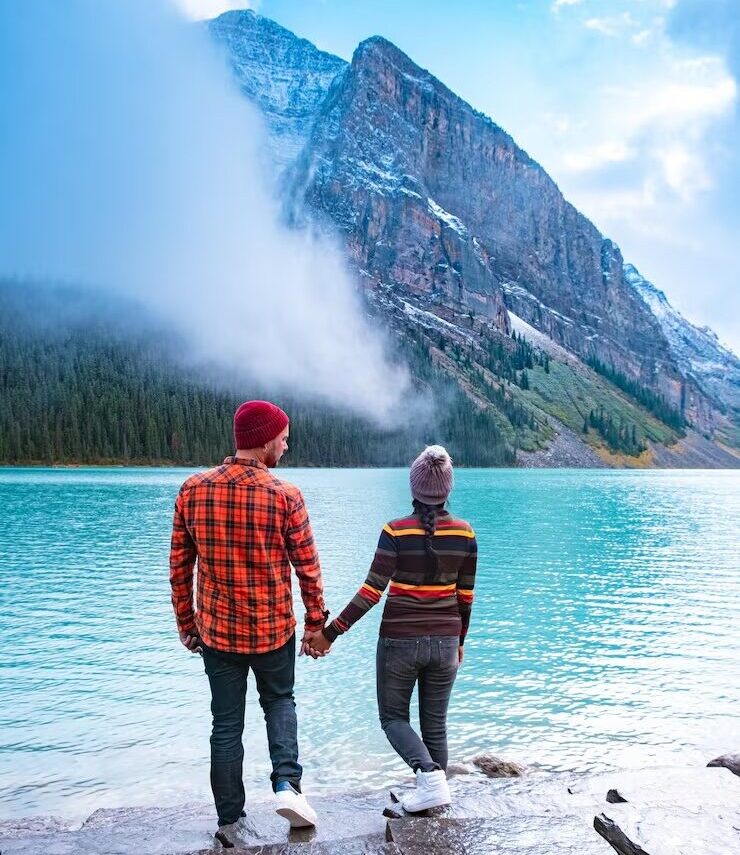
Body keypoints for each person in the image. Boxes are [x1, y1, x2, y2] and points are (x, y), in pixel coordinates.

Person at [169, 400, 329, 839]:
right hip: (273, 629)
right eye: (282, 437)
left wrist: (187, 622)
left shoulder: (193, 490)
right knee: (280, 702)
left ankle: (229, 821)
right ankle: (287, 787)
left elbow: (179, 567)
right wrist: (316, 622)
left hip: (217, 632)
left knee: (226, 723)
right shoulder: (286, 495)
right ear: (263, 442)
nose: (287, 444)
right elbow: (308, 567)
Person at [305, 445, 477, 813]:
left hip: (400, 640)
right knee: (435, 726)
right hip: (446, 640)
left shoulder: (395, 531)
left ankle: (429, 781)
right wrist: (459, 641)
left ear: (414, 488)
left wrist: (330, 632)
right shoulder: (465, 533)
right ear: (448, 490)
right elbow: (466, 597)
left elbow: (371, 592)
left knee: (394, 718)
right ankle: (434, 797)